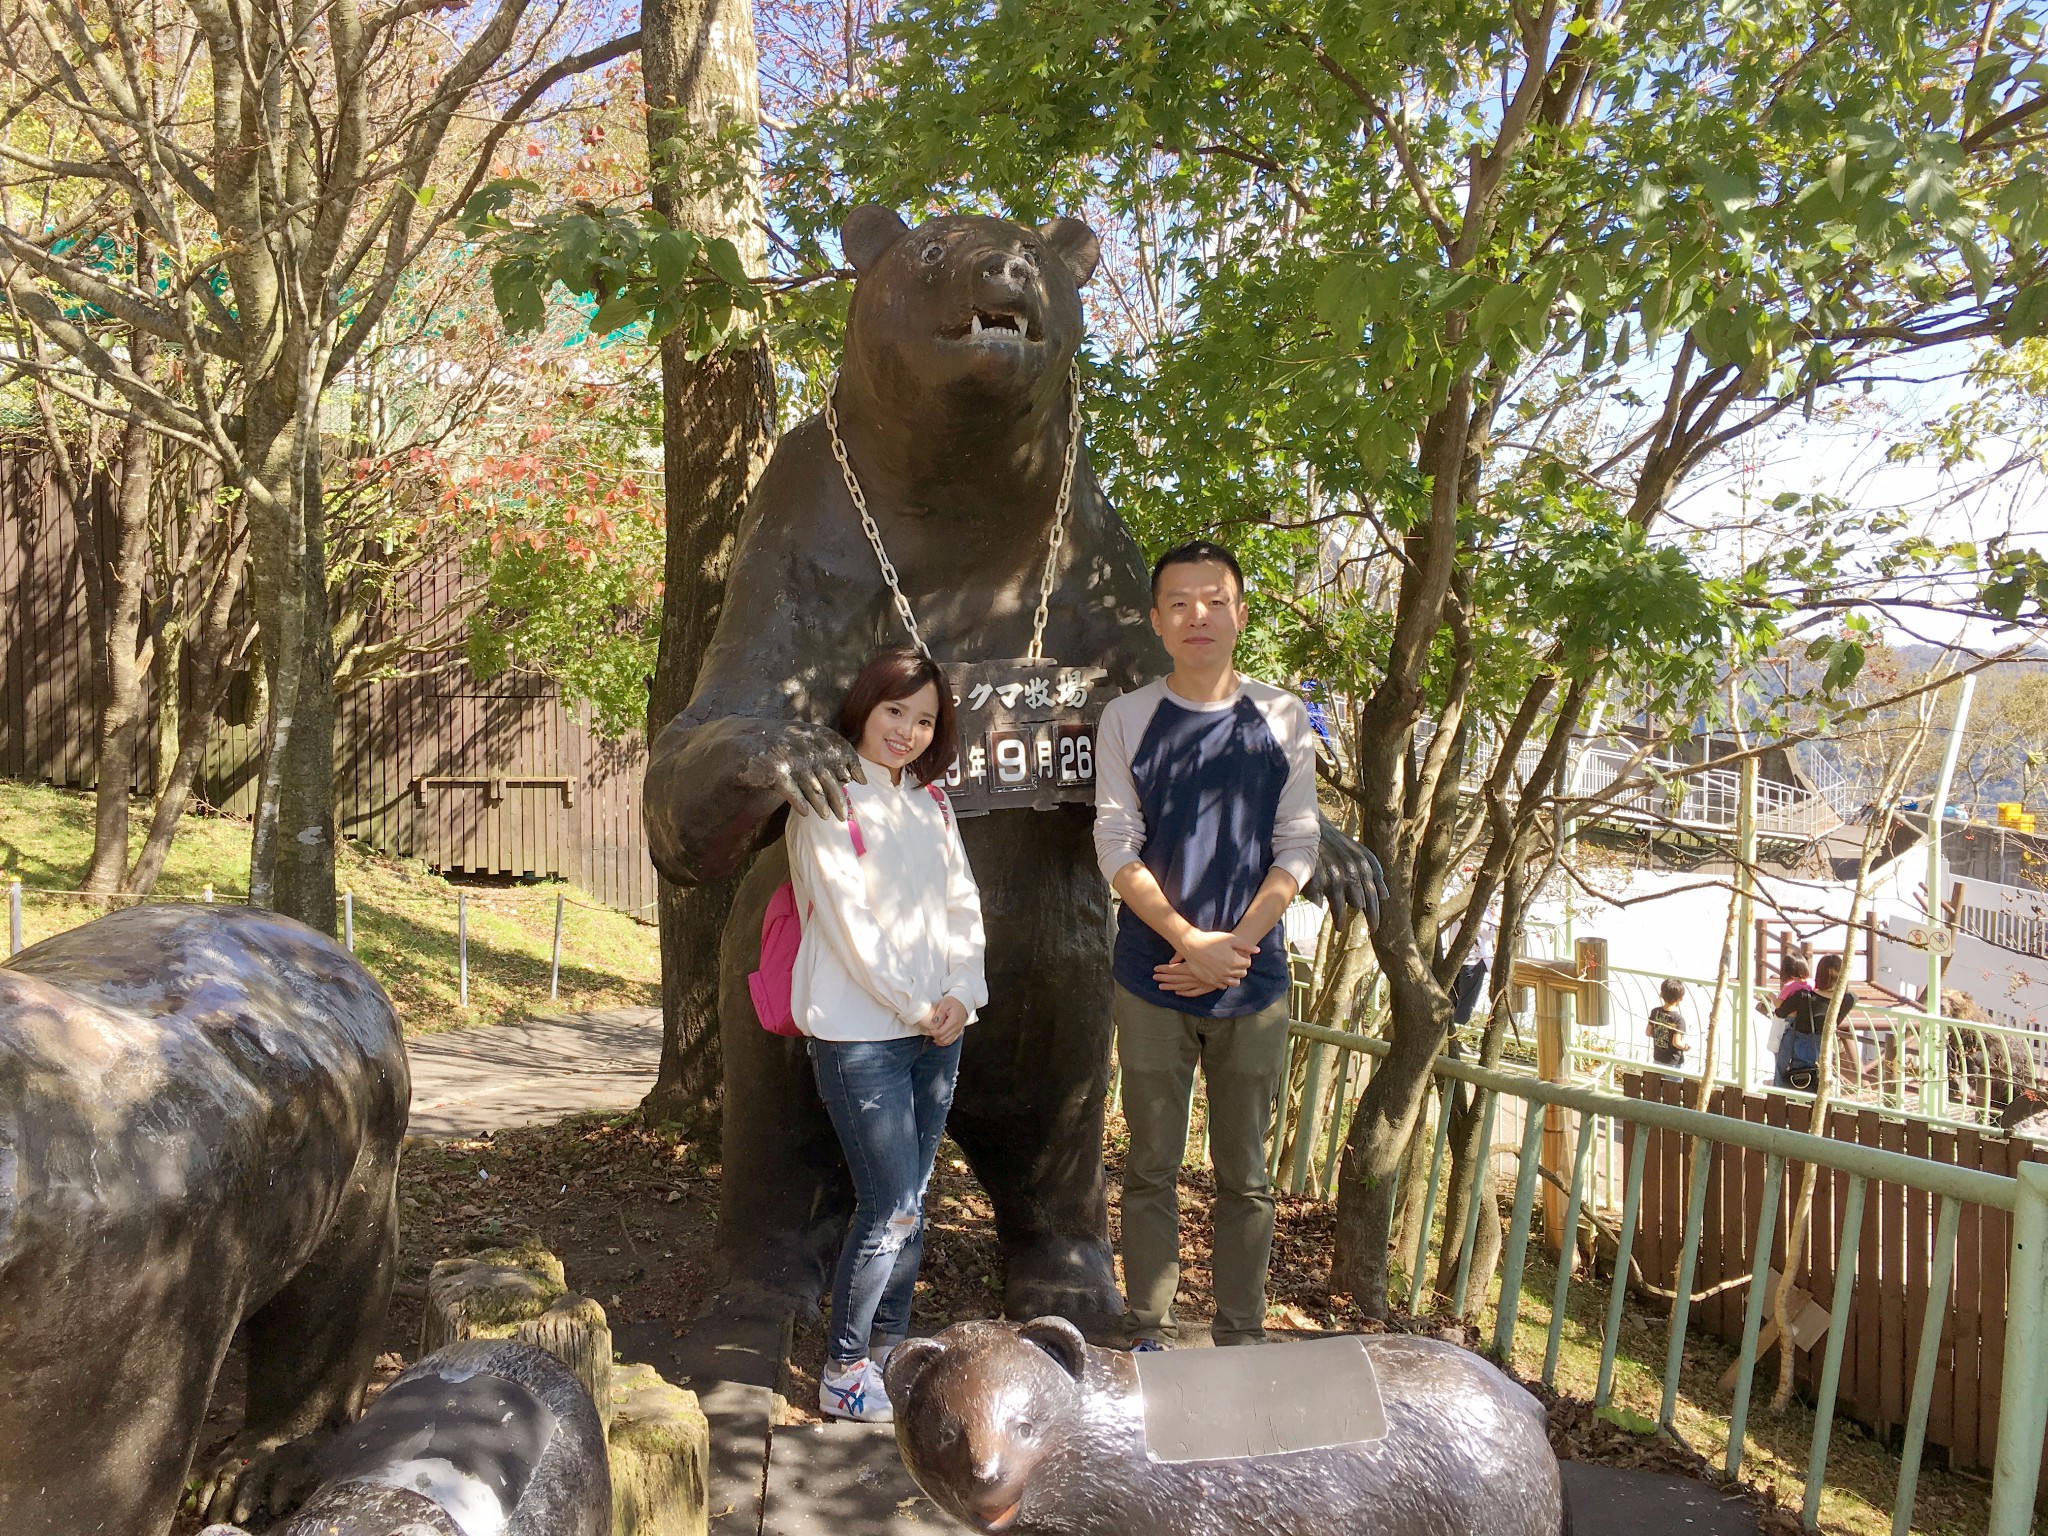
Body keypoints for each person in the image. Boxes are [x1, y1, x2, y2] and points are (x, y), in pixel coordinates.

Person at [1094, 539, 1320, 1350]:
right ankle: (1148, 1329)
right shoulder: (1127, 718)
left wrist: (1236, 948)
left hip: (1253, 983)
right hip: (1151, 973)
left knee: (1247, 1177)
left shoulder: (1283, 716)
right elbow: (1116, 845)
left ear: (1240, 613)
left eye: (1215, 599)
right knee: (1150, 1165)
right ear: (1157, 621)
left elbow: (1298, 842)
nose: (1199, 616)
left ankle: (1242, 1338)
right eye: (1180, 603)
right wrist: (1191, 941)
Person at [782, 648, 986, 1422]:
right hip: (859, 1036)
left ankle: (895, 1355)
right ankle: (843, 1370)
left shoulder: (932, 803)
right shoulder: (826, 801)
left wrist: (962, 994)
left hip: (939, 1031)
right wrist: (916, 1003)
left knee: (914, 1198)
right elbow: (850, 924)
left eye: (924, 718)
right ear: (864, 706)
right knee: (890, 1203)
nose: (906, 730)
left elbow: (964, 905)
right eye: (894, 710)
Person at [1774, 952, 1851, 1093]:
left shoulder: (1803, 996)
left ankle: (1782, 1102)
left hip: (1798, 1044)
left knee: (1788, 1081)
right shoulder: (1847, 1000)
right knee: (1817, 1082)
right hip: (1824, 1046)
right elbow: (1852, 995)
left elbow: (1780, 1012)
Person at [1646, 978, 1688, 1069]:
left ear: (1661, 995)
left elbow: (1648, 1032)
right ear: (1680, 998)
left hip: (1657, 1059)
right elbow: (1676, 1043)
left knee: (1657, 1081)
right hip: (1673, 1062)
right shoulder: (1679, 1020)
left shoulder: (1655, 1012)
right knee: (1673, 1083)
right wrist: (1686, 1047)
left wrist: (1660, 1034)